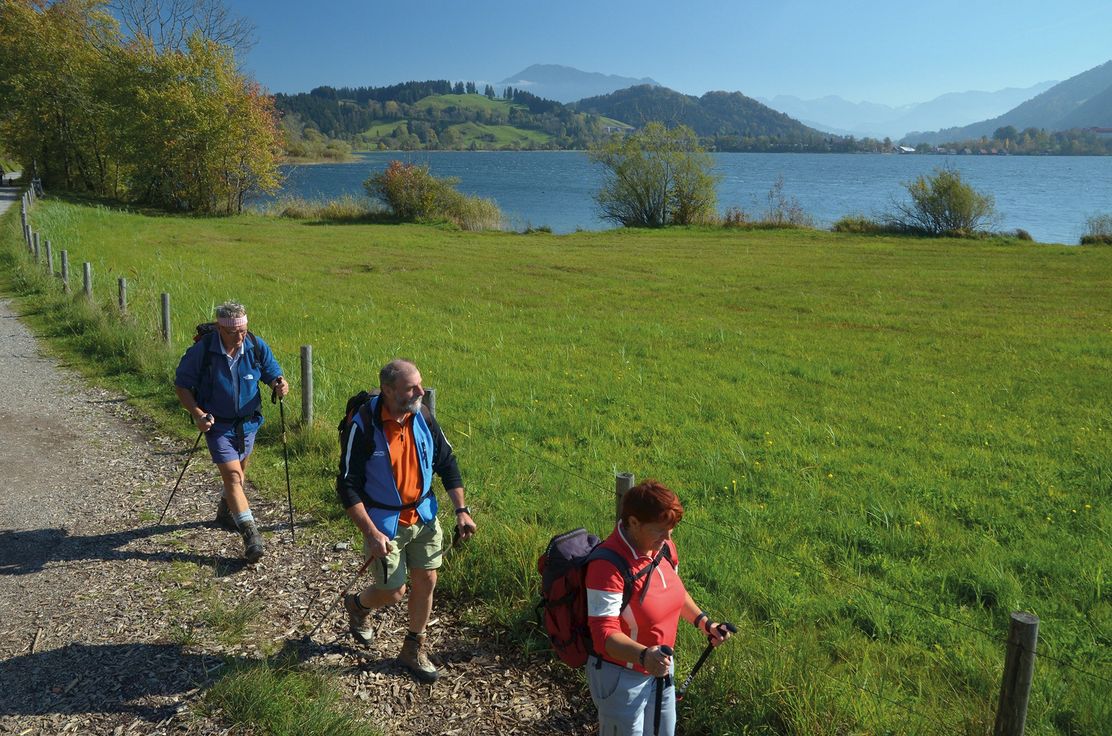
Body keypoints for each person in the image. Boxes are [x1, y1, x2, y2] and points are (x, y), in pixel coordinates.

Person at [336, 359, 476, 683]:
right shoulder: (364, 426)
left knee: (427, 580)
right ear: (387, 390)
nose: (420, 391)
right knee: (393, 591)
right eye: (411, 388)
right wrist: (370, 533)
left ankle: (413, 647)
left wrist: (461, 510)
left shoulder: (423, 415)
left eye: (420, 384)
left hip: (424, 516)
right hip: (384, 523)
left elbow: (447, 463)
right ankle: (357, 605)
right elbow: (346, 484)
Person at [586, 480, 732, 736]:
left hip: (661, 667)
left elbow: (674, 593)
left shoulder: (663, 549)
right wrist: (644, 656)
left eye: (671, 530)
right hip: (621, 678)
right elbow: (602, 636)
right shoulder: (606, 567)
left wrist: (706, 624)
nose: (667, 538)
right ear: (633, 523)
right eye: (660, 531)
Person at [173, 301, 288, 563]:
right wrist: (198, 414)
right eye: (235, 332)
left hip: (248, 424)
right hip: (217, 425)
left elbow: (272, 373)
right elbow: (182, 385)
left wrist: (279, 385)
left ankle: (226, 512)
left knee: (240, 475)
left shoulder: (255, 346)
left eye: (244, 331)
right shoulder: (203, 351)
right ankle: (251, 535)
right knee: (234, 476)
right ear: (220, 330)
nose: (241, 337)